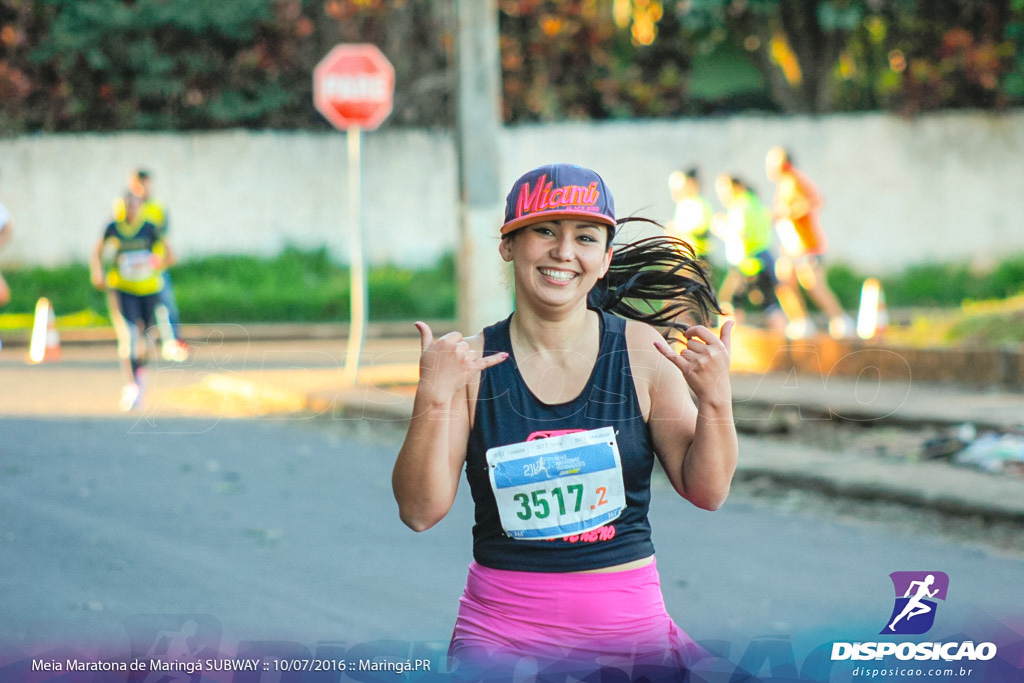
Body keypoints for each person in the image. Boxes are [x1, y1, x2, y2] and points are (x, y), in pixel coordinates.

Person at [392, 163, 737, 678]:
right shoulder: (468, 366)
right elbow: (419, 512)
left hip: (630, 641)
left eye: (585, 237)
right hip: (499, 642)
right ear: (509, 244)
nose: (563, 252)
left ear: (605, 259)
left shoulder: (643, 351)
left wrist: (715, 401)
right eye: (545, 231)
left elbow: (707, 491)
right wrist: (433, 397)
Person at [90, 192, 173, 411]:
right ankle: (131, 385)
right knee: (129, 334)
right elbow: (97, 252)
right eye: (127, 207)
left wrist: (152, 262)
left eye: (134, 207)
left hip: (148, 289)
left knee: (146, 339)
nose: (130, 212)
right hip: (122, 289)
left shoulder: (150, 228)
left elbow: (170, 256)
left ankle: (140, 379)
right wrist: (98, 272)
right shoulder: (113, 227)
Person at [764, 147, 854, 339]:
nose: (768, 166)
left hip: (806, 245)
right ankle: (800, 323)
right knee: (783, 282)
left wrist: (786, 213)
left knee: (813, 284)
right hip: (791, 247)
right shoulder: (784, 184)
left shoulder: (794, 180)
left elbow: (814, 201)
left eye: (772, 162)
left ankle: (841, 321)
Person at [711, 174, 788, 334]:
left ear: (737, 187)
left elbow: (741, 234)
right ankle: (785, 342)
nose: (722, 196)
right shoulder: (756, 203)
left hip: (747, 262)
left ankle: (730, 343)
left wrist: (720, 228)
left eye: (725, 190)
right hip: (764, 259)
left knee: (729, 301)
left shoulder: (739, 206)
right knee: (769, 304)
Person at [127, 169, 189, 362]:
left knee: (166, 304)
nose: (144, 189)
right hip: (133, 271)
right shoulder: (126, 206)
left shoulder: (158, 207)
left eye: (147, 185)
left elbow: (163, 235)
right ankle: (141, 346)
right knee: (138, 312)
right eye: (140, 185)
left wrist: (161, 259)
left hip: (155, 267)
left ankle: (173, 342)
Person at [666, 167, 715, 262]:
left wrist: (678, 228)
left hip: (698, 253)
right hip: (683, 253)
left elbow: (702, 227)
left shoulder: (700, 203)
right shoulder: (683, 203)